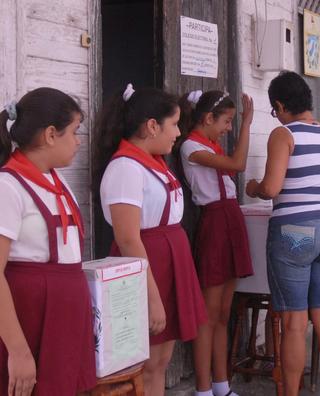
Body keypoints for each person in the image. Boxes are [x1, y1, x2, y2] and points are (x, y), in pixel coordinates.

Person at [93, 84, 207, 395]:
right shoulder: (125, 168)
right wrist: (152, 297)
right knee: (142, 365)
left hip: (169, 261)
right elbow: (128, 238)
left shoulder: (153, 162)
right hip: (147, 267)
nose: (178, 132)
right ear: (151, 126)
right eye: (174, 124)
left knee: (160, 360)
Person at [245, 71, 320, 396]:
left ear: (279, 105)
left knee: (293, 322)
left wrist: (253, 187)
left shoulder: (283, 134)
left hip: (295, 232)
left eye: (274, 111)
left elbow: (272, 187)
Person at [0, 88, 96, 395]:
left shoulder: (56, 179)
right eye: (74, 132)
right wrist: (19, 351)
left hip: (64, 313)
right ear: (51, 135)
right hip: (29, 315)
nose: (78, 141)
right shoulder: (8, 187)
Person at [177, 90, 254, 396]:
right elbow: (237, 164)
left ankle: (222, 385)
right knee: (207, 315)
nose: (229, 128)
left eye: (234, 122)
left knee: (224, 312)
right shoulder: (190, 146)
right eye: (226, 121)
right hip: (215, 222)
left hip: (232, 218)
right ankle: (203, 388)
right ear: (207, 118)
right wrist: (248, 124)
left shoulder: (211, 144)